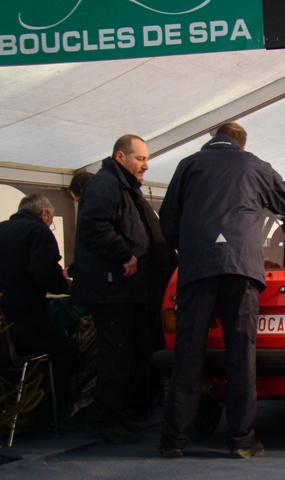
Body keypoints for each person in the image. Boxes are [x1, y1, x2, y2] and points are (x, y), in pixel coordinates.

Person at [158, 122, 285, 459]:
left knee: (187, 354)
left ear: (214, 139)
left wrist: (193, 247)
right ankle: (241, 440)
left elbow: (168, 222)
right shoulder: (254, 165)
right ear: (242, 142)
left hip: (197, 270)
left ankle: (174, 440)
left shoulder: (188, 165)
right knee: (240, 355)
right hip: (241, 269)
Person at [71, 134, 175, 444]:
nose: (146, 164)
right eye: (140, 158)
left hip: (126, 289)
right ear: (121, 157)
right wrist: (124, 255)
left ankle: (116, 415)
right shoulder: (106, 185)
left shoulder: (122, 186)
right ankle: (103, 420)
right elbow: (92, 225)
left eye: (146, 158)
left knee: (126, 354)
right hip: (112, 289)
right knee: (115, 356)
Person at [0, 194, 81, 429]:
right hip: (25, 322)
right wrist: (64, 284)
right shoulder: (38, 232)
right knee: (67, 354)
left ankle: (13, 414)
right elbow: (44, 272)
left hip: (4, 327)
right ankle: (43, 416)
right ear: (44, 214)